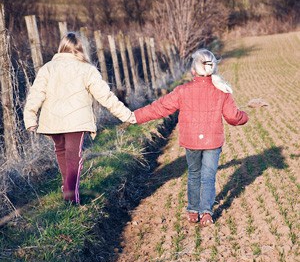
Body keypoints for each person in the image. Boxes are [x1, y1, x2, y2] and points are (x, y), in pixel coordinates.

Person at [133, 48, 248, 226]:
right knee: (208, 177)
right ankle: (207, 213)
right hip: (212, 142)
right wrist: (245, 116)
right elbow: (233, 116)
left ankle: (193, 210)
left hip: (191, 141)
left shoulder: (182, 91)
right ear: (213, 68)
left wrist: (136, 116)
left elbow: (160, 107)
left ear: (193, 70)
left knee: (194, 174)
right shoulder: (222, 91)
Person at [24, 32, 136, 204]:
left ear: (61, 48)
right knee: (73, 157)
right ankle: (71, 196)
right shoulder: (87, 69)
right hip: (77, 122)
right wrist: (126, 115)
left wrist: (30, 118)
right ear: (81, 49)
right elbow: (105, 96)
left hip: (53, 121)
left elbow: (35, 94)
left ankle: (67, 188)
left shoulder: (47, 68)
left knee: (61, 152)